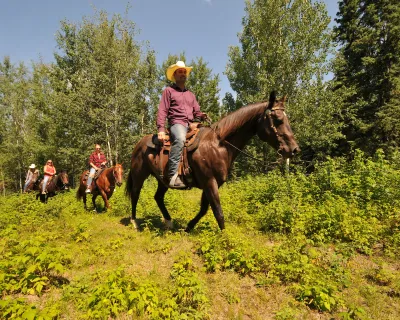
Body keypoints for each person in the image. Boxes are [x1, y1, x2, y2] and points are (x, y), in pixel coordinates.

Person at [157, 61, 208, 188]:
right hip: (177, 123)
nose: (183, 74)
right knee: (180, 139)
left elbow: (196, 111)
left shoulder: (191, 94)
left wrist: (201, 115)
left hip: (191, 124)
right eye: (180, 71)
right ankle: (172, 175)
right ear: (174, 75)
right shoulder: (168, 91)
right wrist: (161, 129)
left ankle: (196, 173)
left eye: (184, 72)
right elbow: (163, 110)